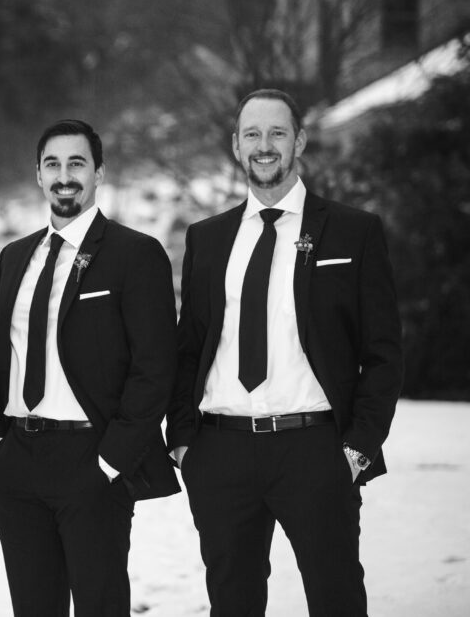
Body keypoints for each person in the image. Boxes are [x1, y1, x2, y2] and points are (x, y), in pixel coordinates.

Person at [167, 88, 404, 616]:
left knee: (336, 598)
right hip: (221, 451)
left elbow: (384, 352)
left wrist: (357, 448)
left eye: (277, 132)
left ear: (299, 140)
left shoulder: (353, 232)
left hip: (316, 450)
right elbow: (190, 347)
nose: (264, 144)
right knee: (233, 604)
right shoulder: (206, 239)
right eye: (252, 133)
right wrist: (184, 439)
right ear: (235, 146)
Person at [0, 119, 180, 616]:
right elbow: (6, 356)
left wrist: (111, 460)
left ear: (99, 174)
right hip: (18, 462)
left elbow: (155, 367)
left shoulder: (135, 254)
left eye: (77, 163)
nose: (64, 175)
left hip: (91, 460)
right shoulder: (13, 258)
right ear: (38, 175)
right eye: (53, 164)